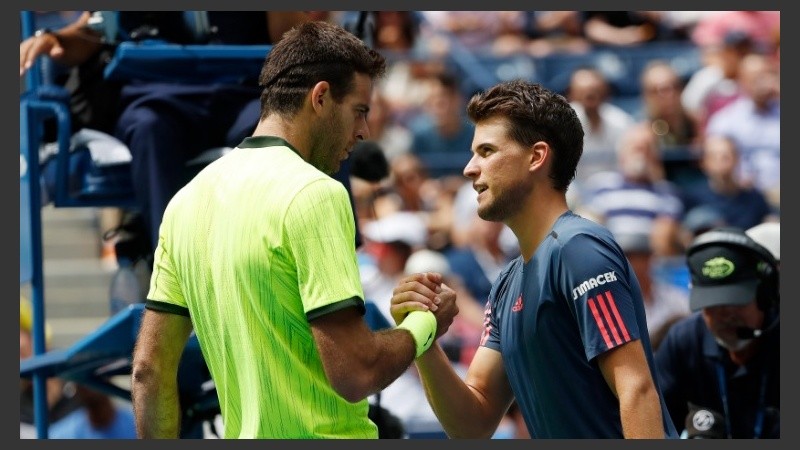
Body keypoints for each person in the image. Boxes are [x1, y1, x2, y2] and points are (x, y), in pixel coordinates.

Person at [130, 21, 458, 439]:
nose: (364, 131)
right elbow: (356, 371)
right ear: (320, 98)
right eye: (359, 111)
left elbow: (148, 370)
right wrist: (424, 323)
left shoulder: (184, 203)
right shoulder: (316, 194)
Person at [390, 80, 677, 438]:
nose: (470, 168)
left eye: (487, 151)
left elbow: (636, 390)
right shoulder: (507, 283)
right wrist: (423, 338)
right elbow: (472, 424)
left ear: (537, 157)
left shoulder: (579, 250)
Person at [20, 11, 313, 260]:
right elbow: (90, 29)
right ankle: (175, 281)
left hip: (240, 93)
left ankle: (314, 268)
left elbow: (288, 35)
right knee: (149, 127)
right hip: (157, 98)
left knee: (293, 126)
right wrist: (54, 39)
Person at [654, 225, 780, 438]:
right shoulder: (684, 341)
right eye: (712, 306)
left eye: (736, 302)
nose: (725, 316)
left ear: (764, 294)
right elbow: (655, 422)